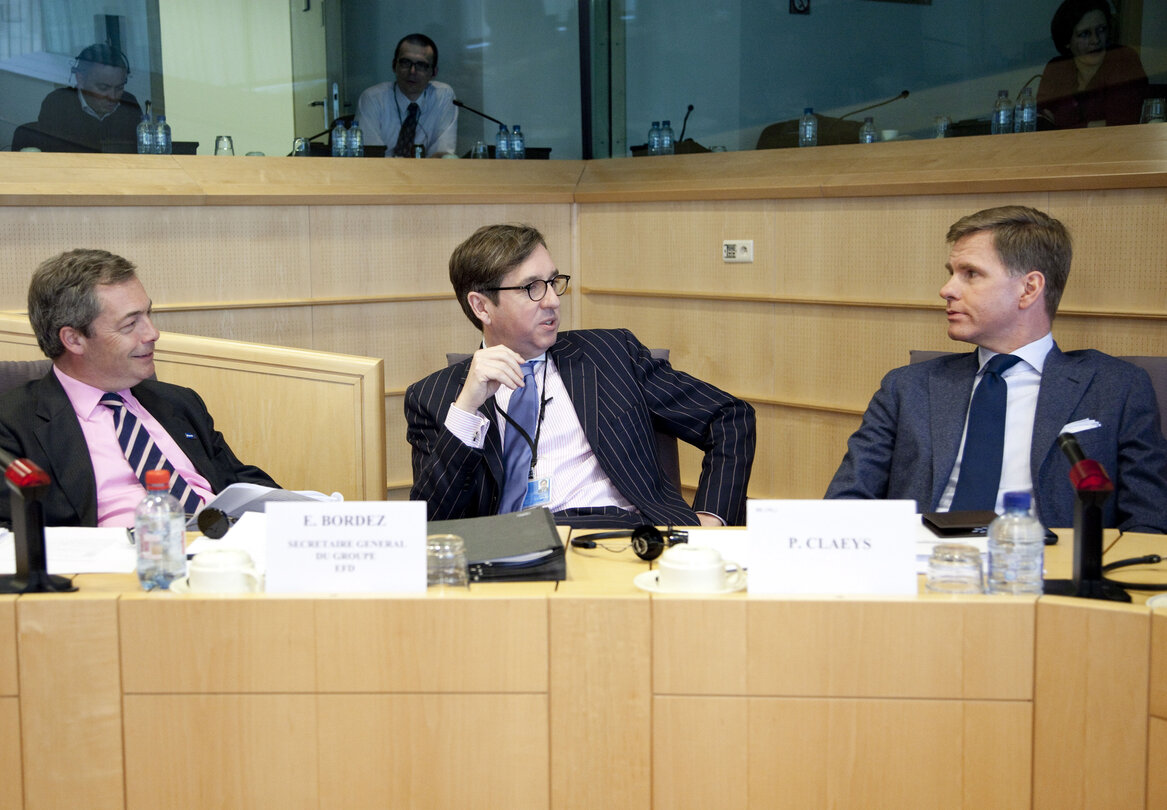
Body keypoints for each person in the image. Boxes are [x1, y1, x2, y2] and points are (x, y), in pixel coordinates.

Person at [825, 206, 1167, 532]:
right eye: (951, 274)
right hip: (923, 571)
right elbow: (846, 505)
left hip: (1046, 571)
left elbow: (1149, 522)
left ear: (1028, 288)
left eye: (970, 274)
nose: (946, 290)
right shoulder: (907, 386)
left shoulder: (1115, 387)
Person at [405, 224, 756, 528]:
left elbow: (728, 416)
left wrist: (712, 519)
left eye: (553, 282)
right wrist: (467, 409)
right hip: (513, 552)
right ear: (481, 306)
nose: (553, 301)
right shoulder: (435, 398)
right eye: (532, 288)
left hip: (625, 534)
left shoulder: (610, 354)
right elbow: (431, 525)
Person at [0, 249, 278, 529]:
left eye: (148, 314)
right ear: (74, 339)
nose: (152, 333)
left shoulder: (178, 402)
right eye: (130, 324)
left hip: (225, 553)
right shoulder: (10, 423)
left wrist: (307, 512)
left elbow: (238, 481)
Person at [1036, 0, 1148, 129]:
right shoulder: (1057, 67)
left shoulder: (1123, 59)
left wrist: (1064, 126)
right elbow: (1042, 120)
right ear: (1067, 40)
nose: (1095, 40)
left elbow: (1123, 123)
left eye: (1101, 30)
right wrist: (1093, 125)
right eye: (1085, 34)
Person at [25, 43, 143, 153]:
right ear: (80, 79)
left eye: (119, 88)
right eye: (103, 88)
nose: (112, 96)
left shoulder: (129, 105)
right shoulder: (57, 104)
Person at [356, 33, 457, 157]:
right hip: (382, 174)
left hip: (428, 174)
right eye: (405, 62)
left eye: (421, 65)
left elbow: (443, 154)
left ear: (434, 72)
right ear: (394, 65)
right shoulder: (373, 98)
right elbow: (370, 155)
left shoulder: (443, 96)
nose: (412, 71)